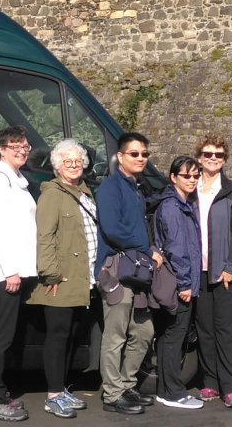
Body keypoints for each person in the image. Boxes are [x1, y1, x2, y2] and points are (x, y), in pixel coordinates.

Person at [28, 140, 98, 418]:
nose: (73, 165)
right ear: (57, 166)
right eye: (67, 162)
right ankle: (53, 395)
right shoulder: (52, 196)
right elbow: (44, 238)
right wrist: (51, 273)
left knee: (70, 336)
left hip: (82, 279)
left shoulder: (83, 192)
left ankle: (63, 389)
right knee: (58, 336)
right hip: (61, 279)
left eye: (77, 161)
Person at [96, 132, 162, 414]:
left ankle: (125, 385)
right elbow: (112, 229)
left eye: (144, 154)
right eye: (134, 154)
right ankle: (112, 395)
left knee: (144, 332)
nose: (140, 158)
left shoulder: (137, 187)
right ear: (120, 157)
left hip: (136, 271)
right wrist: (147, 249)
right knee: (116, 335)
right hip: (116, 269)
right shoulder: (111, 188)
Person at [0, 126, 38, 422]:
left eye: (25, 145)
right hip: (3, 273)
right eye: (15, 146)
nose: (22, 150)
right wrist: (11, 271)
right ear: (1, 149)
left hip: (10, 272)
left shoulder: (15, 180)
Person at [191, 135, 232, 408]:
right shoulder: (189, 189)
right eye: (208, 153)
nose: (213, 158)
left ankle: (230, 385)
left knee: (226, 331)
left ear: (225, 160)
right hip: (198, 273)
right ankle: (210, 382)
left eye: (219, 155)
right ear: (199, 156)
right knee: (205, 331)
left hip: (226, 274)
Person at [150, 156, 206, 409]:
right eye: (187, 175)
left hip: (178, 281)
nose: (192, 180)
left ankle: (165, 390)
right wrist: (185, 284)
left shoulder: (181, 203)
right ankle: (173, 392)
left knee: (167, 336)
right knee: (174, 336)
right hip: (178, 283)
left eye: (196, 176)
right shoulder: (173, 207)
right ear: (174, 177)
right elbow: (176, 249)